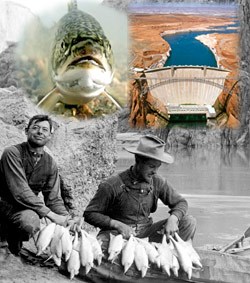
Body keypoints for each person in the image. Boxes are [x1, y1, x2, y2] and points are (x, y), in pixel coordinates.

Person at [84, 134, 196, 244]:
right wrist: (117, 225)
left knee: (188, 222)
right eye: (151, 166)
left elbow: (181, 202)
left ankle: (167, 256)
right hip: (117, 234)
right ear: (138, 161)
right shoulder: (112, 185)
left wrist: (173, 219)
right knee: (100, 245)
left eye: (158, 167)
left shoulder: (157, 181)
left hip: (146, 234)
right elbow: (90, 213)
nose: (155, 171)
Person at [0, 115, 79, 255]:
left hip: (25, 211)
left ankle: (13, 242)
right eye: (35, 128)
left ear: (50, 136)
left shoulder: (50, 163)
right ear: (26, 131)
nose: (39, 132)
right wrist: (51, 215)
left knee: (30, 221)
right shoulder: (12, 153)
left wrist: (66, 219)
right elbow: (21, 191)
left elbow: (54, 199)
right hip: (3, 206)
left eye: (44, 130)